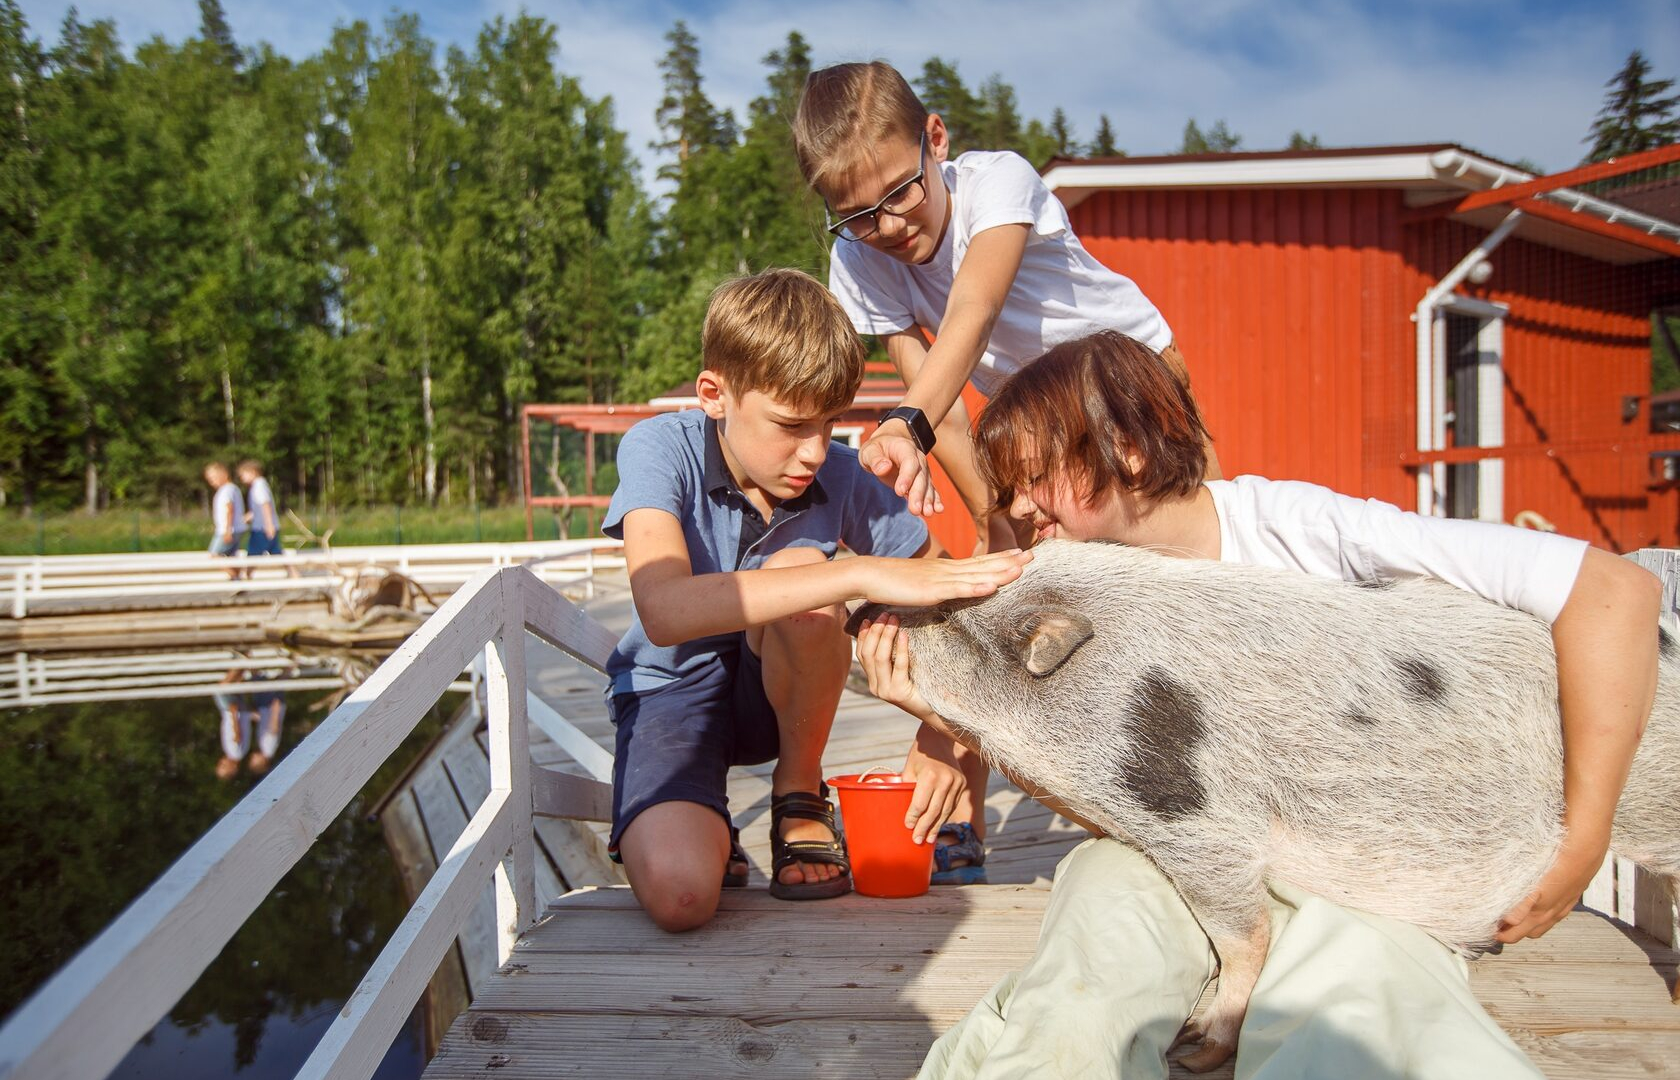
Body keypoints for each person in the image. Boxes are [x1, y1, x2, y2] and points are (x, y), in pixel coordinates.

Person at [856, 331, 1659, 1079]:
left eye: (1036, 478)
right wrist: (947, 716)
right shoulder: (1083, 587)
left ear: (1128, 452)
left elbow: (1618, 590)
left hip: (1356, 870)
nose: (1022, 510)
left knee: (1349, 1000)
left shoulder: (1305, 531)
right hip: (1192, 865)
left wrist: (1584, 839)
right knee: (1084, 974)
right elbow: (1129, 804)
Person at [601, 268, 1030, 932]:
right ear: (715, 395)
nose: (813, 452)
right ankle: (711, 833)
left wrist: (944, 735)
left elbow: (946, 591)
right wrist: (857, 577)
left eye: (830, 424)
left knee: (803, 575)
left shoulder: (838, 471)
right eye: (791, 424)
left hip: (786, 698)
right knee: (682, 897)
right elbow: (663, 610)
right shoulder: (661, 448)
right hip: (671, 688)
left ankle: (799, 794)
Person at [793, 60, 1220, 551]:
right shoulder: (858, 261)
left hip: (1131, 382)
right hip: (1037, 421)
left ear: (935, 139)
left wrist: (905, 424)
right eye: (858, 215)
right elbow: (942, 408)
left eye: (899, 193)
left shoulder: (997, 182)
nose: (887, 226)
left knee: (1201, 553)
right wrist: (992, 519)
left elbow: (974, 311)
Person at [203, 462, 247, 579]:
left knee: (214, 555)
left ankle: (236, 577)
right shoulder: (233, 489)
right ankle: (237, 579)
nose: (212, 481)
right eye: (209, 479)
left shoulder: (227, 490)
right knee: (232, 557)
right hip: (236, 528)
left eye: (214, 477)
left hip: (228, 530)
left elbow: (229, 509)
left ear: (224, 474)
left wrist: (227, 530)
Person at [239, 460, 283, 565]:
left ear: (253, 472)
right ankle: (294, 575)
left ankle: (245, 577)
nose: (241, 478)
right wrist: (246, 518)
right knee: (277, 553)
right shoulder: (259, 485)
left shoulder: (259, 486)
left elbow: (265, 505)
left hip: (262, 528)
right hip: (267, 526)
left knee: (253, 554)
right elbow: (258, 509)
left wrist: (269, 525)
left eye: (243, 474)